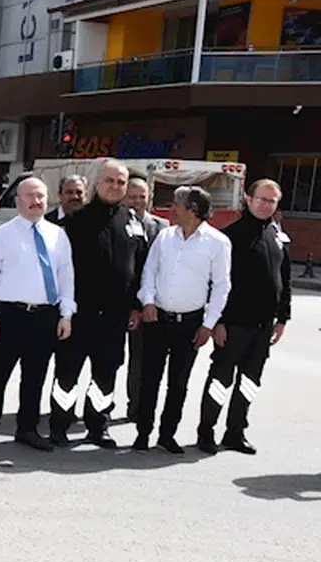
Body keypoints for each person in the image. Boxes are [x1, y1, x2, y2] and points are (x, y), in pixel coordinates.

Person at [48, 160, 146, 448]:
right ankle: (59, 426)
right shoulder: (75, 220)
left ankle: (98, 426)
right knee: (67, 374)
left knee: (105, 375)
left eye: (121, 182)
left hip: (115, 317)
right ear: (97, 183)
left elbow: (140, 266)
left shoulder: (132, 221)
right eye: (110, 181)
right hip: (80, 313)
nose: (115, 186)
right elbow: (60, 269)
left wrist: (136, 306)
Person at [0, 177, 75, 451]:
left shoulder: (58, 235)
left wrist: (66, 314)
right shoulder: (2, 235)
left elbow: (66, 278)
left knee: (35, 377)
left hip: (44, 316)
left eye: (41, 196)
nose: (36, 201)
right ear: (18, 201)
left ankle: (27, 429)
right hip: (10, 315)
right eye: (30, 196)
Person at [196, 178, 292, 455]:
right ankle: (206, 432)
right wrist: (218, 322)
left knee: (250, 382)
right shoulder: (230, 237)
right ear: (248, 199)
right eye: (262, 199)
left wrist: (282, 318)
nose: (266, 205)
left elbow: (284, 280)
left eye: (272, 201)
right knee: (220, 380)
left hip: (264, 327)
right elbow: (215, 283)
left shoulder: (276, 235)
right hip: (234, 325)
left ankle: (235, 433)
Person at [133, 185, 231, 454]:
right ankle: (143, 432)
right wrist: (148, 301)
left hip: (190, 324)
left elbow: (221, 286)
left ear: (193, 209)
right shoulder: (165, 236)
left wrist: (208, 324)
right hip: (157, 319)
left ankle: (167, 435)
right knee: (149, 378)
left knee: (178, 383)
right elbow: (149, 271)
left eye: (176, 204)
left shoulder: (217, 242)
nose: (172, 209)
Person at [123, 177, 169, 421]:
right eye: (132, 196)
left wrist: (144, 304)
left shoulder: (162, 227)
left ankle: (137, 407)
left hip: (148, 303)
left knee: (140, 358)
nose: (137, 201)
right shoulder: (117, 223)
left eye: (142, 197)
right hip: (119, 303)